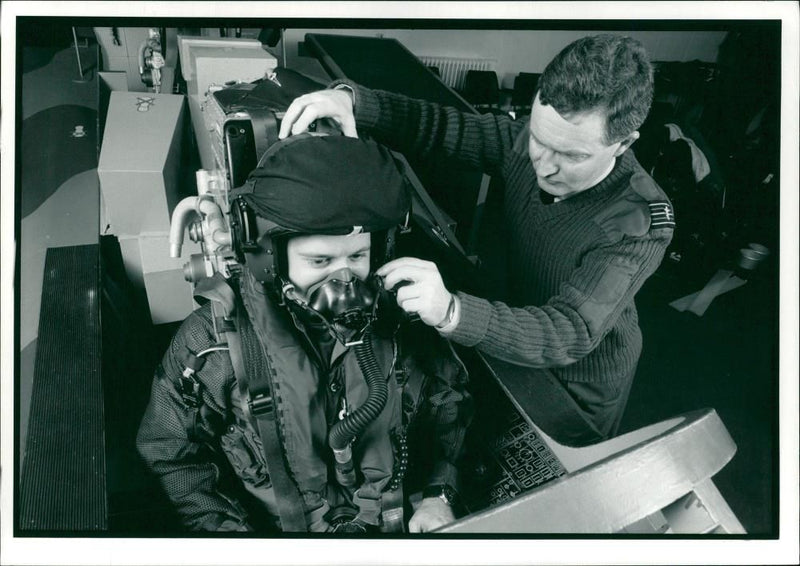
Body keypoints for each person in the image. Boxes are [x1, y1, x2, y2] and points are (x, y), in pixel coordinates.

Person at [278, 34, 675, 445]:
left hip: (573, 386)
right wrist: (352, 102)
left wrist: (452, 312)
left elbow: (568, 330)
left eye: (571, 156)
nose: (544, 163)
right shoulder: (530, 141)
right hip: (507, 322)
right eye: (539, 138)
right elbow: (440, 127)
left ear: (624, 144)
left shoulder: (640, 222)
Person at [136, 133, 472, 533]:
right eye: (320, 260)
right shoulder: (215, 342)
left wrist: (439, 496)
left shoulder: (407, 319)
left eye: (357, 256)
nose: (344, 278)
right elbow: (169, 450)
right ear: (271, 260)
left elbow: (450, 409)